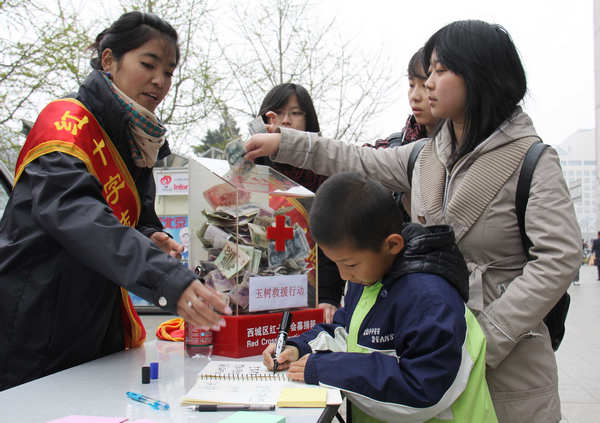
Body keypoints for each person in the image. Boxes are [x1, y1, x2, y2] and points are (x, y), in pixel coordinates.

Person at [246, 20, 582, 423]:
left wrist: (486, 338)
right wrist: (287, 142)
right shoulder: (426, 155)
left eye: (440, 71)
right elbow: (358, 159)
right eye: (428, 72)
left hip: (504, 363)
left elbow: (559, 258)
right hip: (427, 348)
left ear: (479, 74)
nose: (428, 84)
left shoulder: (534, 160)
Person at [0, 11, 231, 391]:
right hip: (35, 325)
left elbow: (127, 219)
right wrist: (167, 278)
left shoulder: (136, 141)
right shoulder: (65, 126)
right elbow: (78, 216)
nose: (160, 81)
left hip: (92, 322)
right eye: (148, 64)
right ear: (109, 60)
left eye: (170, 72)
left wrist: (148, 235)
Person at [262, 172, 497, 422]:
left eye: (349, 264)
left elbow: (423, 389)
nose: (344, 275)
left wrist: (329, 368)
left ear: (392, 245)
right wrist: (299, 347)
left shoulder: (430, 298)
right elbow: (346, 332)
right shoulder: (368, 274)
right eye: (336, 264)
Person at [256, 83, 345, 323]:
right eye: (279, 113)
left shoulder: (322, 173)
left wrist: (328, 296)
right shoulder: (251, 172)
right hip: (258, 295)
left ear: (309, 120)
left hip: (310, 292)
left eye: (295, 113)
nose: (286, 121)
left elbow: (331, 238)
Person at [364, 47, 440, 221]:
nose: (415, 96)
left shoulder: (464, 153)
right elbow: (354, 160)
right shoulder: (394, 146)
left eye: (425, 85)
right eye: (412, 85)